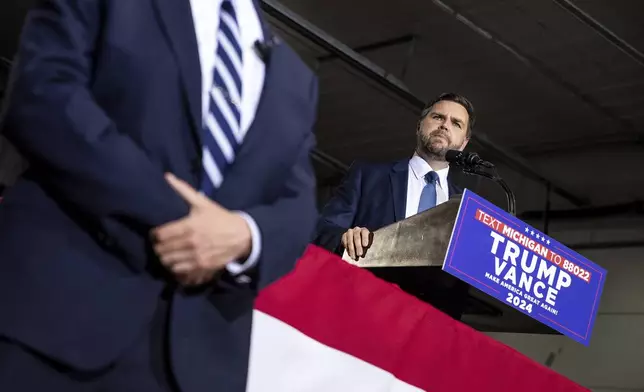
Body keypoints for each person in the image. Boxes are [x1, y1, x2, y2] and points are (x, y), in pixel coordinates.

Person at [0, 0, 318, 391]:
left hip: (195, 366)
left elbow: (299, 207)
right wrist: (184, 219)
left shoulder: (296, 78)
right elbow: (45, 98)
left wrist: (245, 235)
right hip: (54, 325)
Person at [313, 93, 474, 319]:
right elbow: (322, 230)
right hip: (360, 312)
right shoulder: (367, 176)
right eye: (438, 117)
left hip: (430, 328)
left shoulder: (467, 211)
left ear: (464, 143)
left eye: (456, 123)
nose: (444, 125)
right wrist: (344, 238)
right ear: (419, 126)